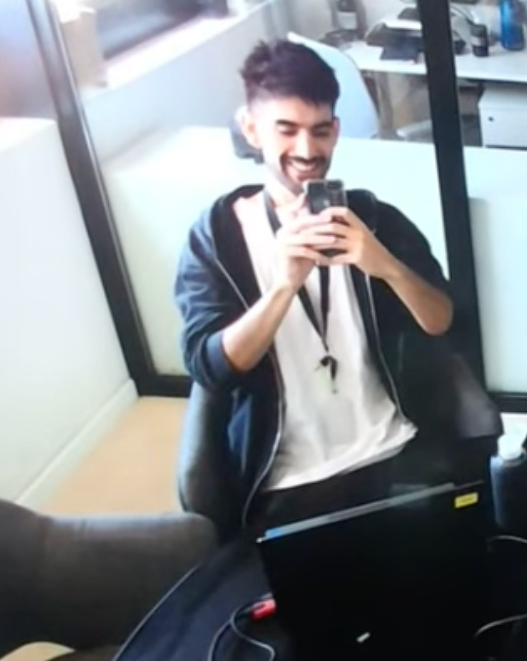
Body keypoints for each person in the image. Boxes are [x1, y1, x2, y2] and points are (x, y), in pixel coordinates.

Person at [174, 39, 480, 530]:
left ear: (335, 132)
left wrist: (384, 265)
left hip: (395, 450)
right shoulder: (216, 238)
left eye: (319, 131)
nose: (306, 150)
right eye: (286, 130)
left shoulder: (376, 219)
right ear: (251, 129)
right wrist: (283, 286)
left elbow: (442, 320)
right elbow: (209, 368)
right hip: (287, 481)